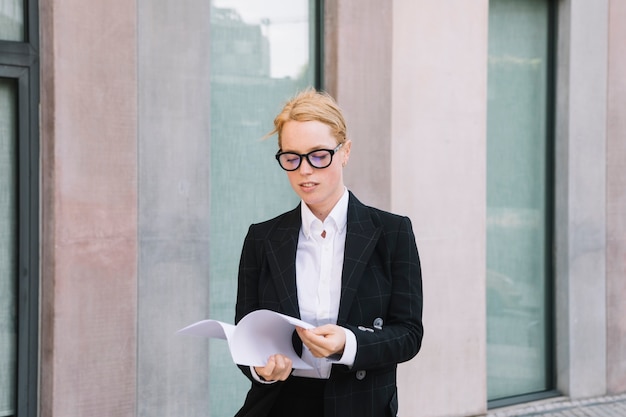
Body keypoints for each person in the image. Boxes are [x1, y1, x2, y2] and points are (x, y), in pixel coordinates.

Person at [234, 88, 423, 417]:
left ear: (345, 152)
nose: (305, 170)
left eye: (319, 156)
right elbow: (246, 332)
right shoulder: (262, 238)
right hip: (280, 405)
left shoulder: (392, 232)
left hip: (360, 405)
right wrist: (261, 370)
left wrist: (348, 344)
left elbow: (409, 334)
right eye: (291, 158)